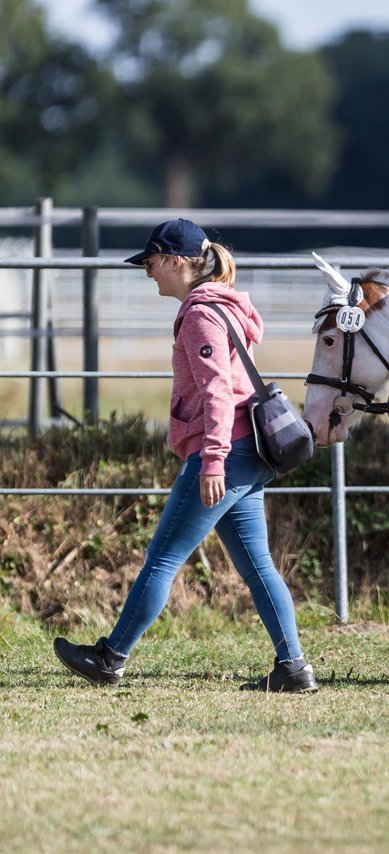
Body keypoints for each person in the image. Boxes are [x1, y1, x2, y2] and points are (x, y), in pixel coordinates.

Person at [53, 219, 318, 693]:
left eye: (152, 263)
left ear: (177, 262)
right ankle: (293, 668)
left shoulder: (201, 314)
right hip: (244, 451)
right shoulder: (223, 305)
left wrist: (212, 460)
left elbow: (218, 391)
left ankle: (110, 658)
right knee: (258, 566)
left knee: (162, 559)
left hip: (224, 452)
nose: (148, 272)